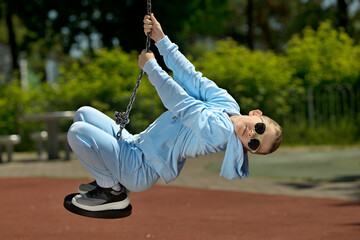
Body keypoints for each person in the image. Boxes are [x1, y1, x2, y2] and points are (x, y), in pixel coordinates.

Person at [67, 14, 283, 212]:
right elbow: (191, 77)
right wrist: (161, 39)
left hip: (141, 167)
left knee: (77, 132)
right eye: (260, 128)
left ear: (246, 150)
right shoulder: (228, 104)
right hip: (136, 144)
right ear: (256, 114)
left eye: (254, 143)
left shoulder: (221, 133)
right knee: (83, 114)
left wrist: (152, 68)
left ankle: (112, 192)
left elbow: (183, 105)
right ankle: (112, 179)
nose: (252, 135)